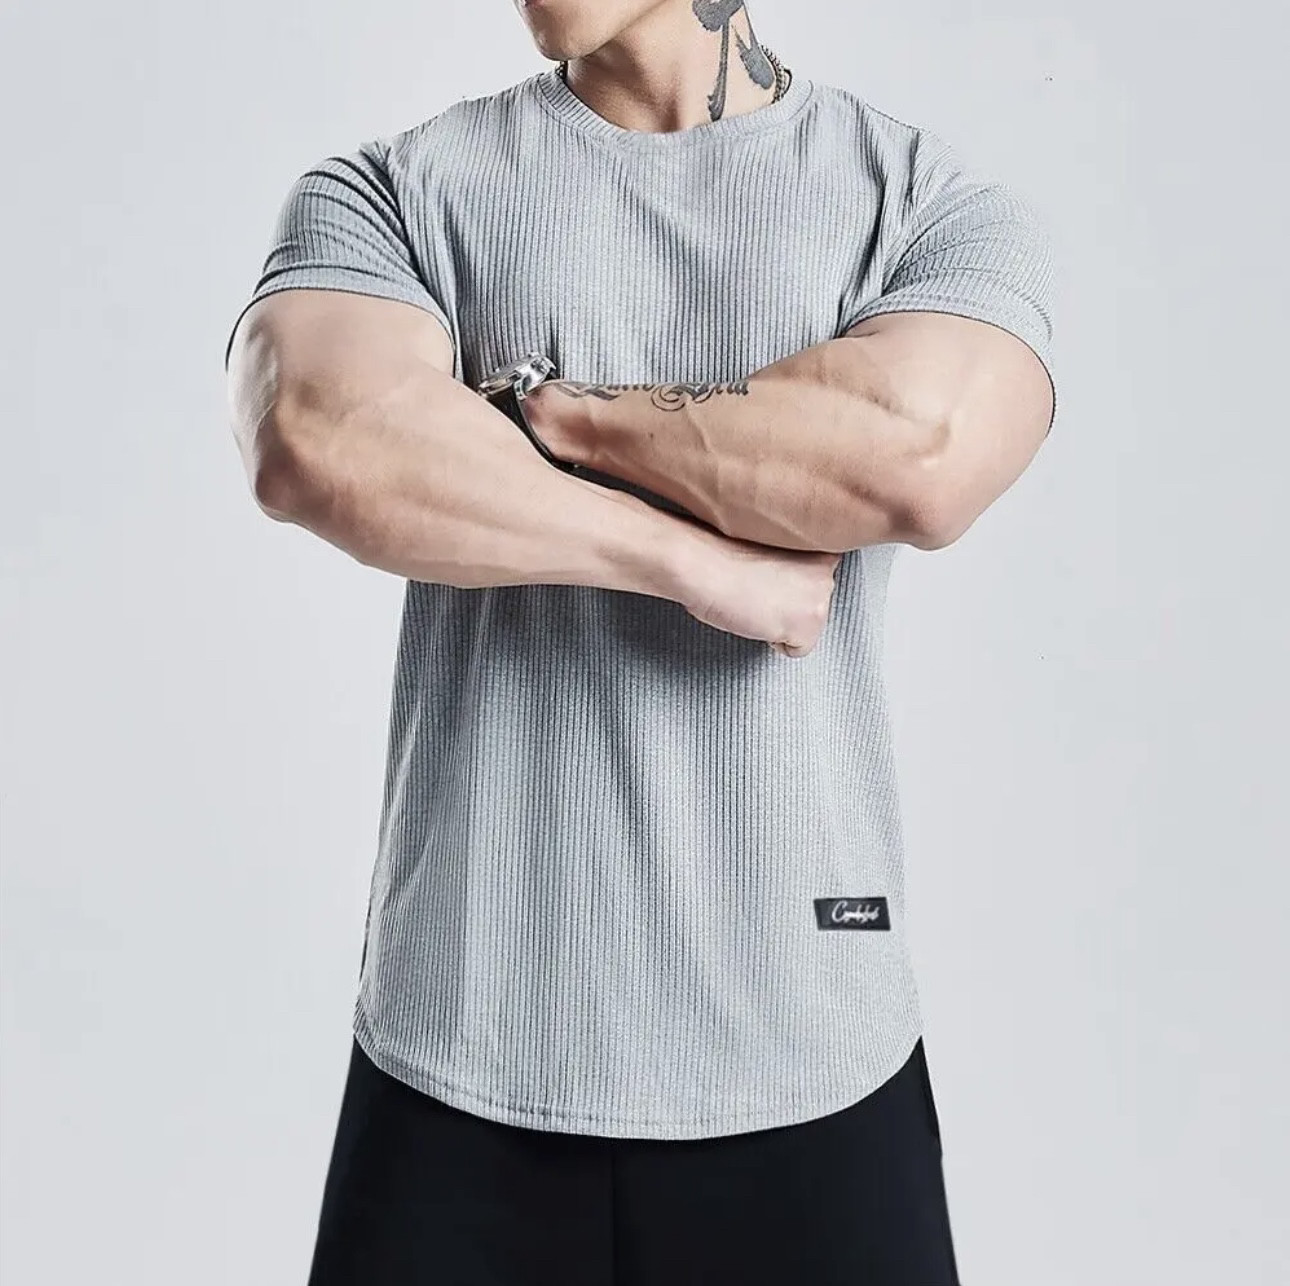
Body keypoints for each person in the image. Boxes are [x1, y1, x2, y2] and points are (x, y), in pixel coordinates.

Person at [224, 1, 1056, 1282]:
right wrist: (696, 560)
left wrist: (561, 414)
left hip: (813, 1069)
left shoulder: (921, 204)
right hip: (457, 1070)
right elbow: (316, 436)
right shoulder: (392, 194)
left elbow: (919, 456)